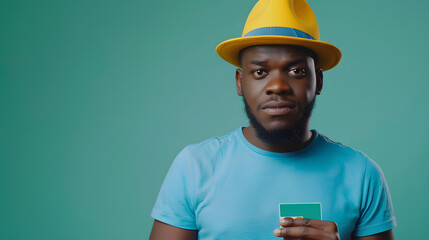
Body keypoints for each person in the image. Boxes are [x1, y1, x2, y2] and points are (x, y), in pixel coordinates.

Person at [149, 0, 396, 239]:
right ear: (239, 82)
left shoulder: (361, 174)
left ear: (318, 81)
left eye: (296, 71)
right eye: (260, 72)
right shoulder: (195, 167)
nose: (277, 86)